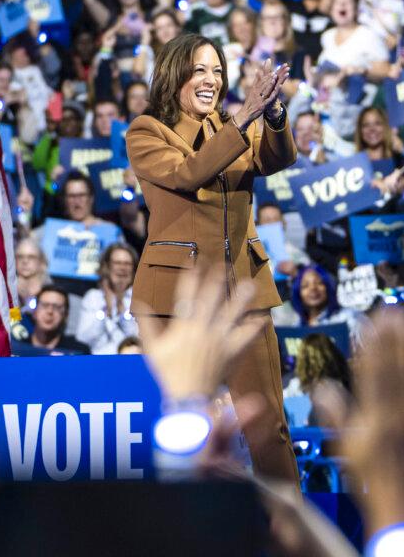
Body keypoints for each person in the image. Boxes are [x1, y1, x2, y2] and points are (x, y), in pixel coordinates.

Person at [125, 32, 299, 483]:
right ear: (173, 75)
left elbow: (277, 160)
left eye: (218, 71)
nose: (211, 80)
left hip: (244, 293)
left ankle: (289, 541)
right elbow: (189, 174)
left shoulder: (233, 125)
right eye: (200, 69)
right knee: (188, 428)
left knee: (269, 428)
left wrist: (274, 113)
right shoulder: (147, 132)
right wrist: (243, 119)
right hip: (178, 299)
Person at [76, 243, 138, 355]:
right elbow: (83, 338)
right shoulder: (93, 297)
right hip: (98, 360)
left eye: (127, 264)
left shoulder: (139, 298)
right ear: (107, 266)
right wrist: (104, 311)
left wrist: (122, 311)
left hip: (130, 361)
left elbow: (139, 340)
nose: (122, 268)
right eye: (117, 263)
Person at [288, 264, 369, 349]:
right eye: (305, 286)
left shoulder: (350, 318)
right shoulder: (295, 329)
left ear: (328, 287)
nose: (313, 288)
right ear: (298, 293)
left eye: (319, 283)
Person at [28, 285, 91, 355]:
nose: (50, 311)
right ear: (34, 312)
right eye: (45, 305)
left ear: (66, 315)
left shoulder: (79, 352)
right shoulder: (17, 346)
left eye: (57, 307)